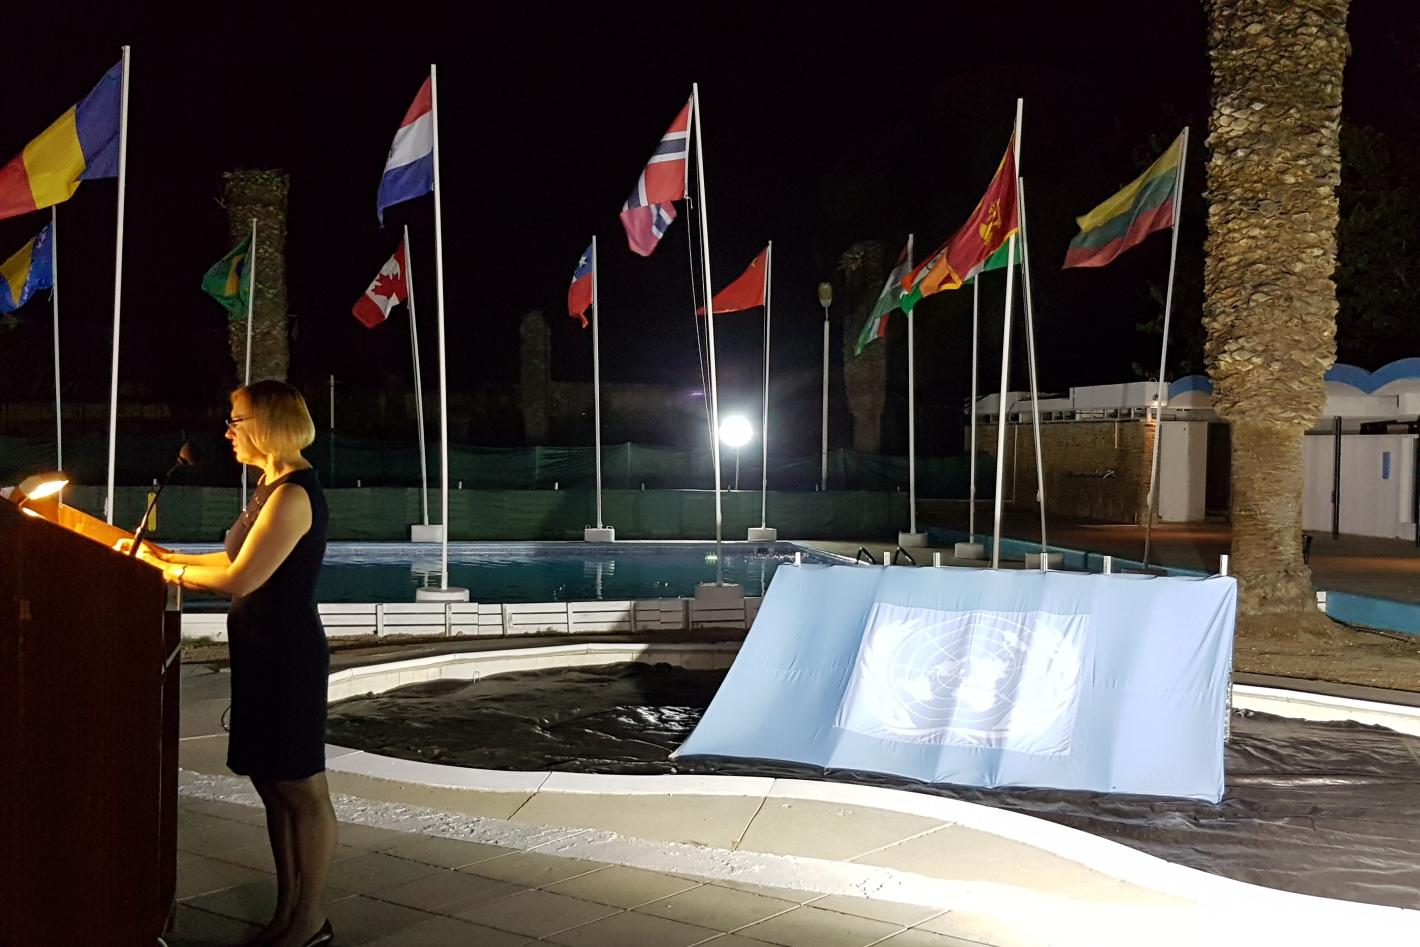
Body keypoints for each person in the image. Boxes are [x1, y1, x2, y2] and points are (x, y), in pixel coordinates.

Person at [131, 380, 335, 947]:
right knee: (272, 784)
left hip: (287, 657)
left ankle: (310, 920)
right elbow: (230, 556)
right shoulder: (270, 485)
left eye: (236, 420)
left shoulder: (293, 494)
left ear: (267, 425)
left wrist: (167, 571)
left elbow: (242, 577)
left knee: (301, 788)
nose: (227, 432)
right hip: (261, 650)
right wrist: (165, 555)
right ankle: (287, 912)